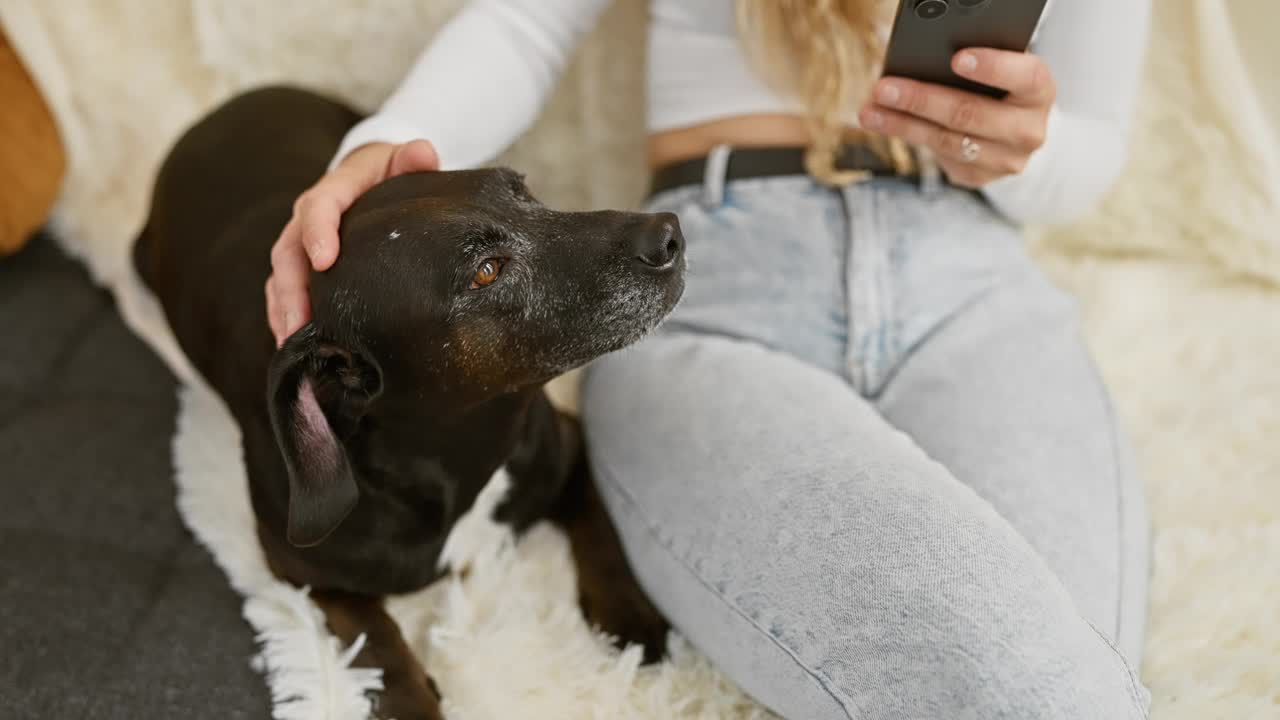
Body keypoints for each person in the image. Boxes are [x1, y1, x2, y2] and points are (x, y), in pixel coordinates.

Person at [267, 1, 1153, 717]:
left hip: (974, 277)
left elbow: (1094, 148)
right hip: (709, 283)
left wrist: (1029, 147)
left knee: (1076, 674)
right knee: (1021, 685)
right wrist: (387, 149)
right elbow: (524, 22)